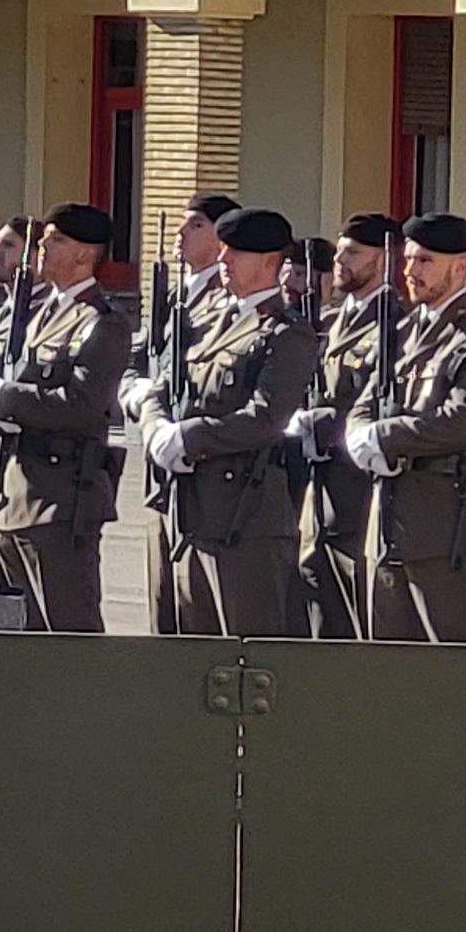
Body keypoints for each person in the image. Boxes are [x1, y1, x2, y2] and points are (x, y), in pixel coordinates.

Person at [135, 205, 318, 637]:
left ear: (270, 262)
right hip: (189, 509)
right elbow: (163, 386)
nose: (223, 261)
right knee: (187, 645)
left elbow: (266, 417)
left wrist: (189, 437)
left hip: (245, 518)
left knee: (246, 649)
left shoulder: (287, 332)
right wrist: (156, 427)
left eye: (235, 253)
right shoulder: (210, 321)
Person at [0, 202, 134, 633]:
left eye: (55, 241)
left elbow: (81, 403)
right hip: (10, 494)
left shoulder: (101, 322)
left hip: (60, 500)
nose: (42, 248)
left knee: (68, 632)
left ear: (84, 255)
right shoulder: (37, 314)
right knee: (19, 634)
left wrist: (7, 399)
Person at [339, 210, 466, 642]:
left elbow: (461, 421)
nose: (411, 271)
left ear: (462, 264)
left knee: (449, 660)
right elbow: (366, 400)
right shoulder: (404, 329)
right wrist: (360, 434)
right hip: (388, 519)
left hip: (445, 523)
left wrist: (385, 437)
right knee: (390, 660)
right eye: (409, 260)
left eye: (425, 261)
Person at [295, 212, 400, 637]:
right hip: (320, 493)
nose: (341, 261)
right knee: (321, 606)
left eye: (355, 253)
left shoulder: (394, 321)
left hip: (358, 491)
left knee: (359, 613)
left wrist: (313, 425)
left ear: (386, 259)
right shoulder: (337, 318)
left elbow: (370, 402)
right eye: (339, 252)